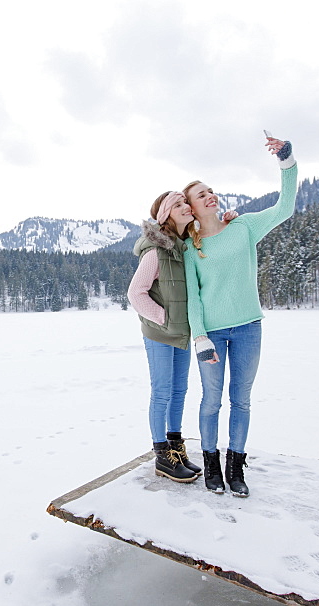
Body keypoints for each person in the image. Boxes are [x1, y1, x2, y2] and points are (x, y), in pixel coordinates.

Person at [183, 136, 298, 496]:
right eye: (201, 194)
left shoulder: (244, 227)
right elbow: (193, 297)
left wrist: (286, 161)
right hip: (212, 334)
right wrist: (199, 337)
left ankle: (236, 468)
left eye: (211, 190)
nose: (210, 196)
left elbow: (286, 206)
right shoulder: (191, 246)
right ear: (191, 207)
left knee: (242, 399)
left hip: (249, 327)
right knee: (212, 399)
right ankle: (211, 466)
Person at [126, 191, 201, 483]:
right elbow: (136, 293)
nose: (186, 207)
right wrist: (163, 319)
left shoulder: (184, 248)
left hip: (180, 332)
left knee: (179, 390)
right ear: (166, 215)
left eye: (186, 202)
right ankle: (161, 455)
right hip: (160, 332)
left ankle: (175, 446)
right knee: (162, 391)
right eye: (178, 204)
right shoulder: (156, 251)